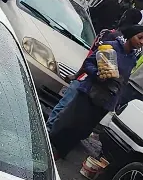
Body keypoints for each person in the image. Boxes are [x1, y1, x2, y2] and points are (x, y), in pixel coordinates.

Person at [49, 24, 143, 158]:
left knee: (83, 131)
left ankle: (61, 153)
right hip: (89, 93)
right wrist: (96, 74)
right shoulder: (111, 47)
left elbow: (124, 81)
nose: (141, 42)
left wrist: (115, 102)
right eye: (140, 37)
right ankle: (50, 147)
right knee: (68, 122)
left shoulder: (132, 59)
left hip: (106, 101)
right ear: (131, 35)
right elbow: (88, 63)